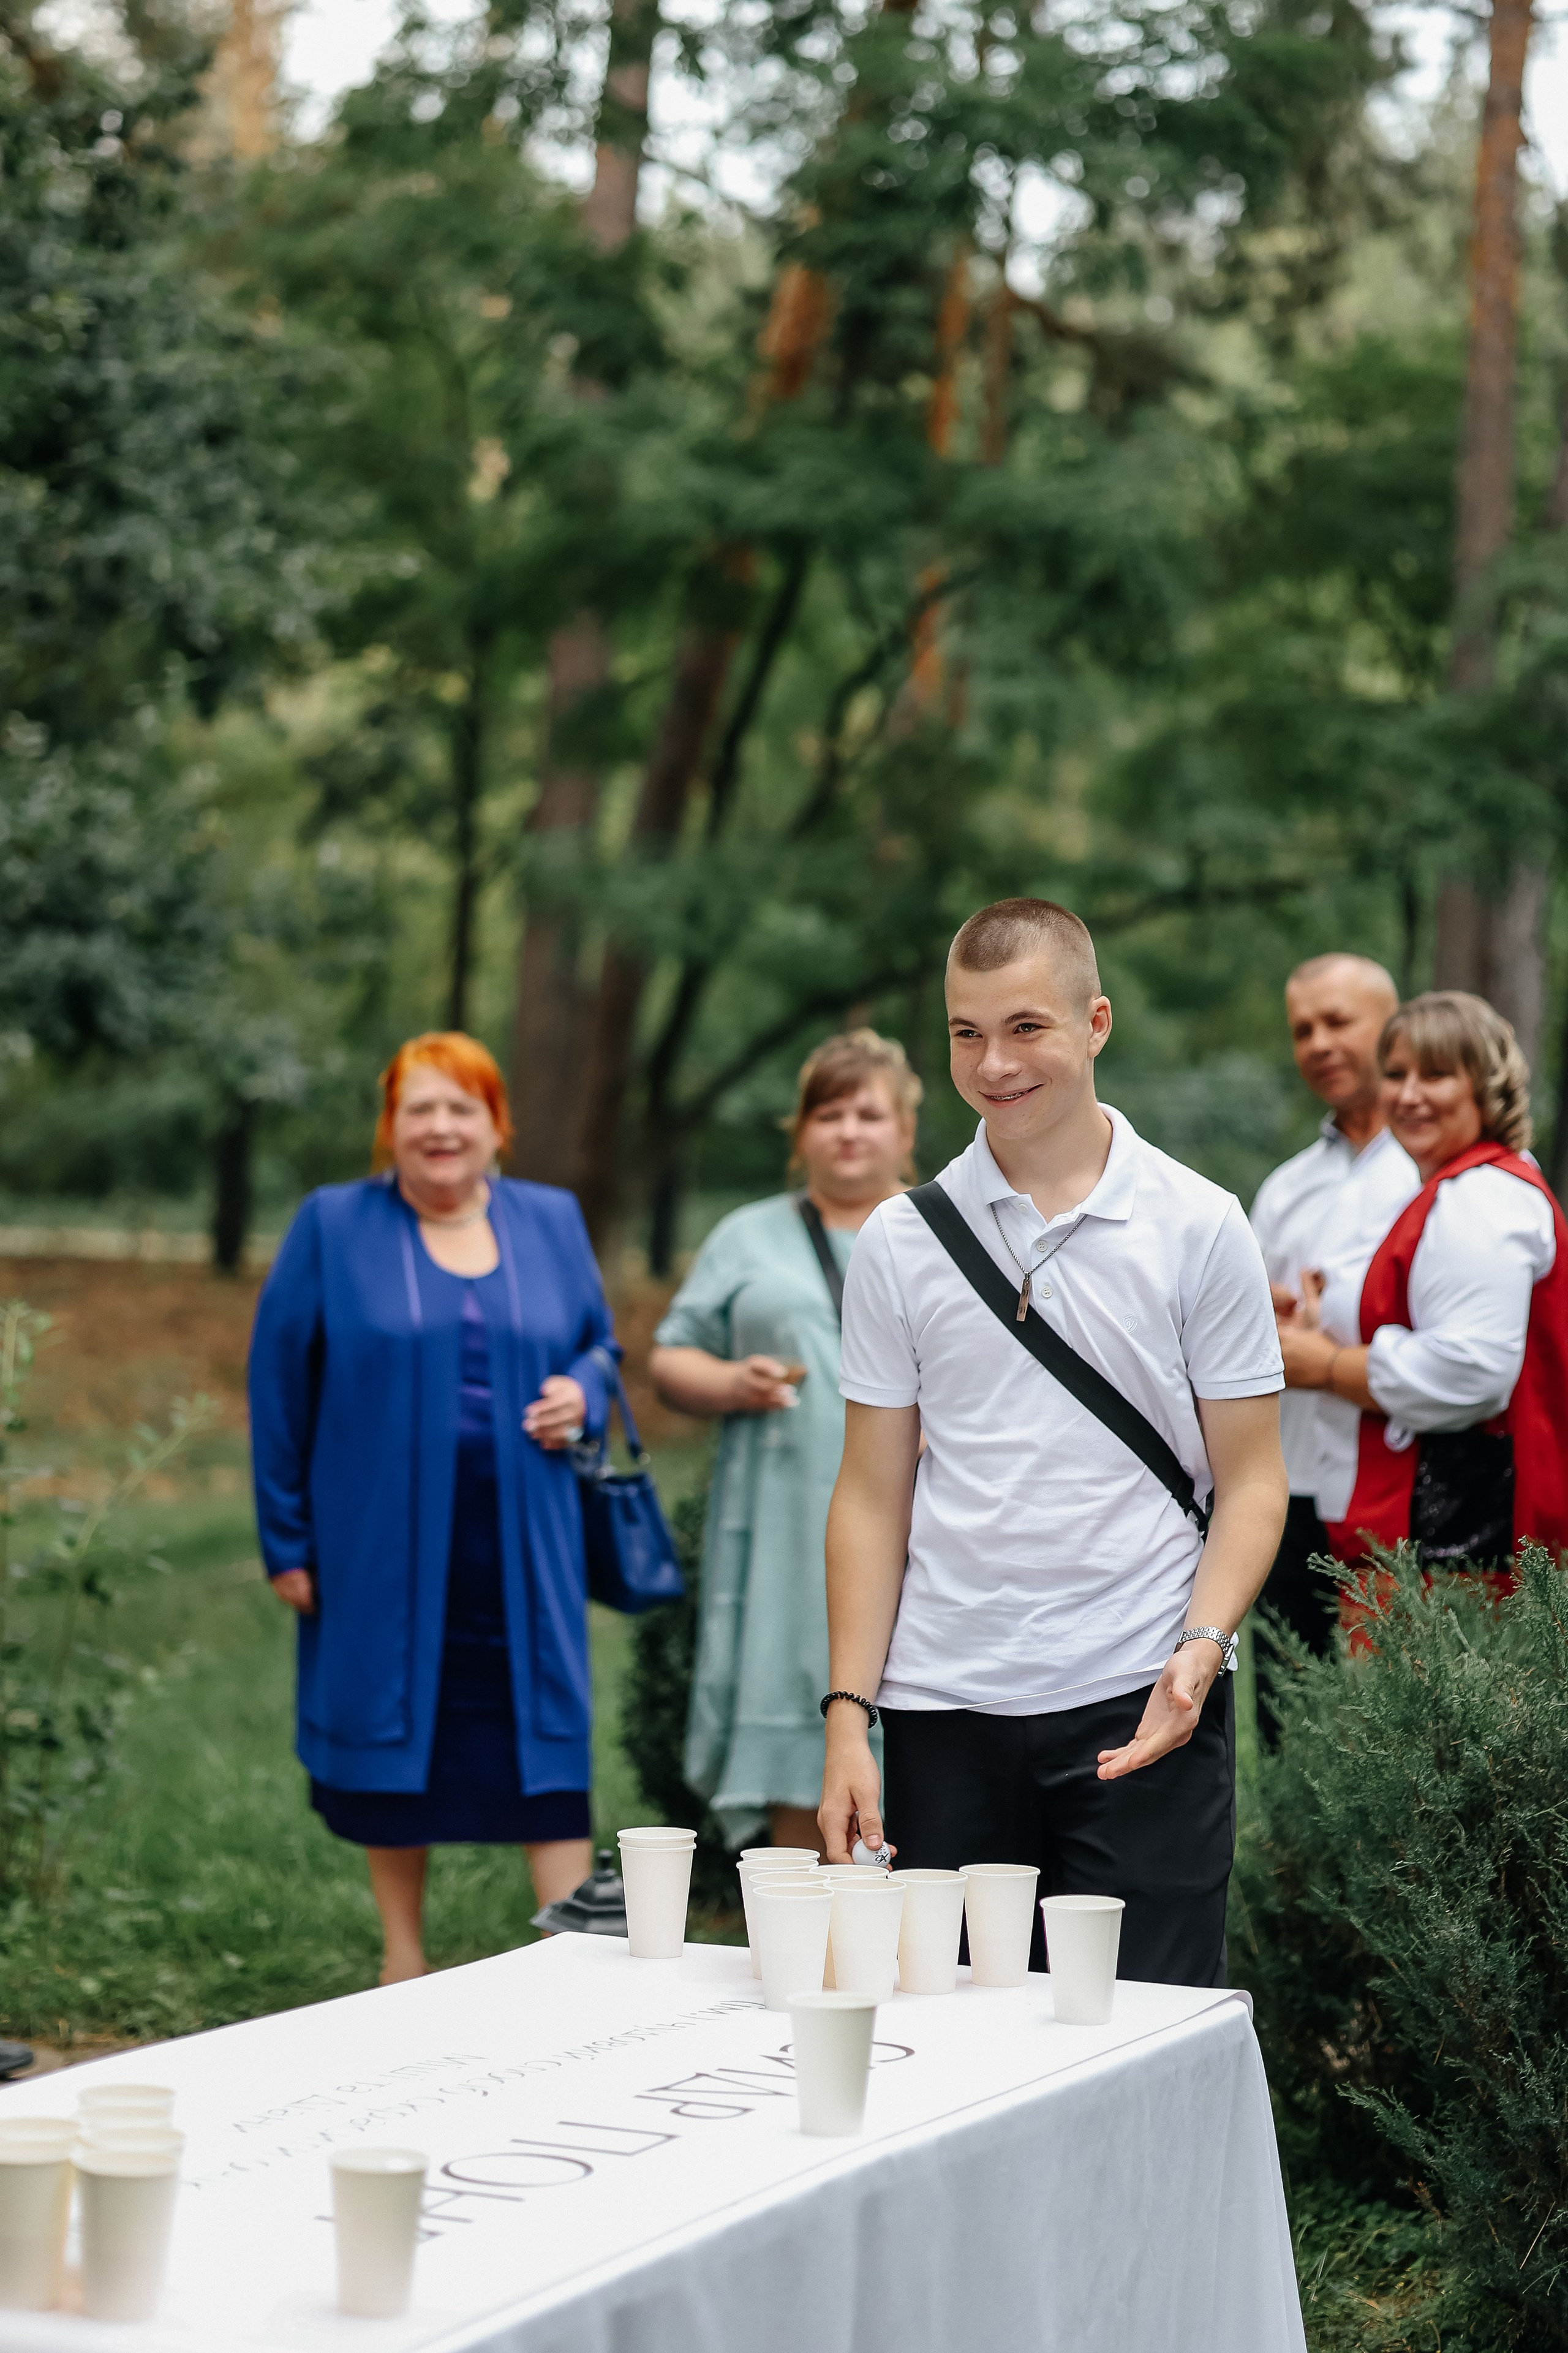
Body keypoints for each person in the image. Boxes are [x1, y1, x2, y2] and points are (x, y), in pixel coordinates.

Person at [820, 899, 1287, 1986]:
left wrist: (1202, 1648)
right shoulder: (900, 1238)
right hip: (944, 1702)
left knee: (1142, 2044)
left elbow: (1255, 1482)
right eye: (966, 1033)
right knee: (954, 2054)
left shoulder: (1200, 1223)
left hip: (1142, 1701)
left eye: (1026, 1027)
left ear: (1096, 1023)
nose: (993, 1063)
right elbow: (870, 1496)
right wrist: (851, 1718)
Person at [248, 1032, 617, 1984]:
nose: (442, 1127)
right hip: (379, 1549)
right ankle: (401, 1959)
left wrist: (583, 1387)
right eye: (421, 1108)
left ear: (498, 1125)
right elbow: (279, 1387)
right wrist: (285, 1536)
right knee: (396, 1752)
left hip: (526, 1549)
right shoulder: (333, 1225)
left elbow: (598, 1345)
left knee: (545, 1746)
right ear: (391, 1128)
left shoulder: (552, 1220)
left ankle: (567, 1962)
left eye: (463, 1107)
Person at [650, 1030, 921, 1854]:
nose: (848, 1131)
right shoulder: (747, 1236)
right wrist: (732, 1383)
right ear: (800, 1131)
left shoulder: (944, 1229)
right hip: (781, 1524)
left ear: (905, 1131)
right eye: (828, 1113)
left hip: (922, 1516)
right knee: (793, 1706)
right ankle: (807, 1924)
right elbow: (670, 1356)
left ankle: (909, 1929)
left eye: (868, 1114)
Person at [1277, 991, 1568, 1575]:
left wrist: (1327, 1366)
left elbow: (1470, 1369)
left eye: (1434, 1075)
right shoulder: (1464, 1186)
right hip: (1445, 1538)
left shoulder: (1481, 1196)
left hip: (1468, 1546)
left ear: (1485, 1085)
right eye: (1396, 1075)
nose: (1408, 1095)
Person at [1248, 956, 1419, 1663]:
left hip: (1403, 1482)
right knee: (1288, 1705)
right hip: (1288, 1486)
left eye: (1337, 1022)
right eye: (1301, 1029)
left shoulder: (1430, 1171)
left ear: (1393, 1026)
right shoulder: (1284, 1188)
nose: (1317, 1043)